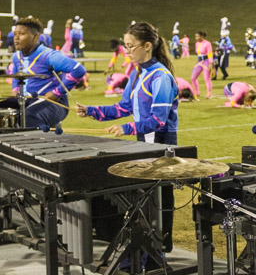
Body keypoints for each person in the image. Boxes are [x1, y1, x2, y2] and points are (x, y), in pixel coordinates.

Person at [75, 22, 179, 254]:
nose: (127, 51)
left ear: (148, 45)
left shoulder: (161, 77)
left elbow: (159, 120)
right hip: (144, 143)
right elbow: (122, 108)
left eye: (131, 46)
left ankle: (161, 245)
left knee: (160, 196)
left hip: (162, 146)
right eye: (126, 46)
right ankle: (146, 244)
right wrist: (91, 110)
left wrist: (127, 128)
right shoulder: (137, 74)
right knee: (144, 196)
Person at [7, 16, 86, 132]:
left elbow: (79, 70)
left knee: (28, 117)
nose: (16, 38)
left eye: (22, 34)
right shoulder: (17, 56)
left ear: (35, 37)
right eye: (15, 34)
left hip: (55, 103)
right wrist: (15, 88)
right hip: (26, 100)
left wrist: (56, 93)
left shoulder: (50, 56)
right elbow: (16, 74)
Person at [190, 31, 214, 100]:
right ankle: (197, 92)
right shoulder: (197, 43)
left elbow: (209, 53)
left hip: (206, 61)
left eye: (197, 36)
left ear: (201, 36)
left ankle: (209, 93)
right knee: (193, 77)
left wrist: (210, 63)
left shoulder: (207, 43)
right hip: (199, 61)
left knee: (206, 78)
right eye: (195, 36)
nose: (196, 38)